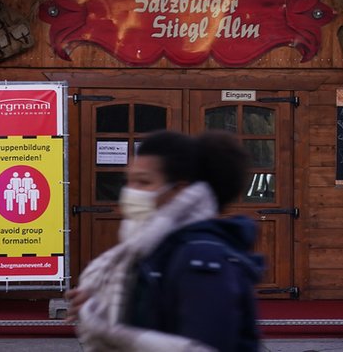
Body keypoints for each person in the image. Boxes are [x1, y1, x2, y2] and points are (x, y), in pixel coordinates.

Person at [69, 130, 263, 351]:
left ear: (179, 189)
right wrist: (99, 302)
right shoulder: (148, 248)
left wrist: (105, 325)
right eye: (128, 181)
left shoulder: (202, 257)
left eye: (143, 182)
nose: (130, 191)